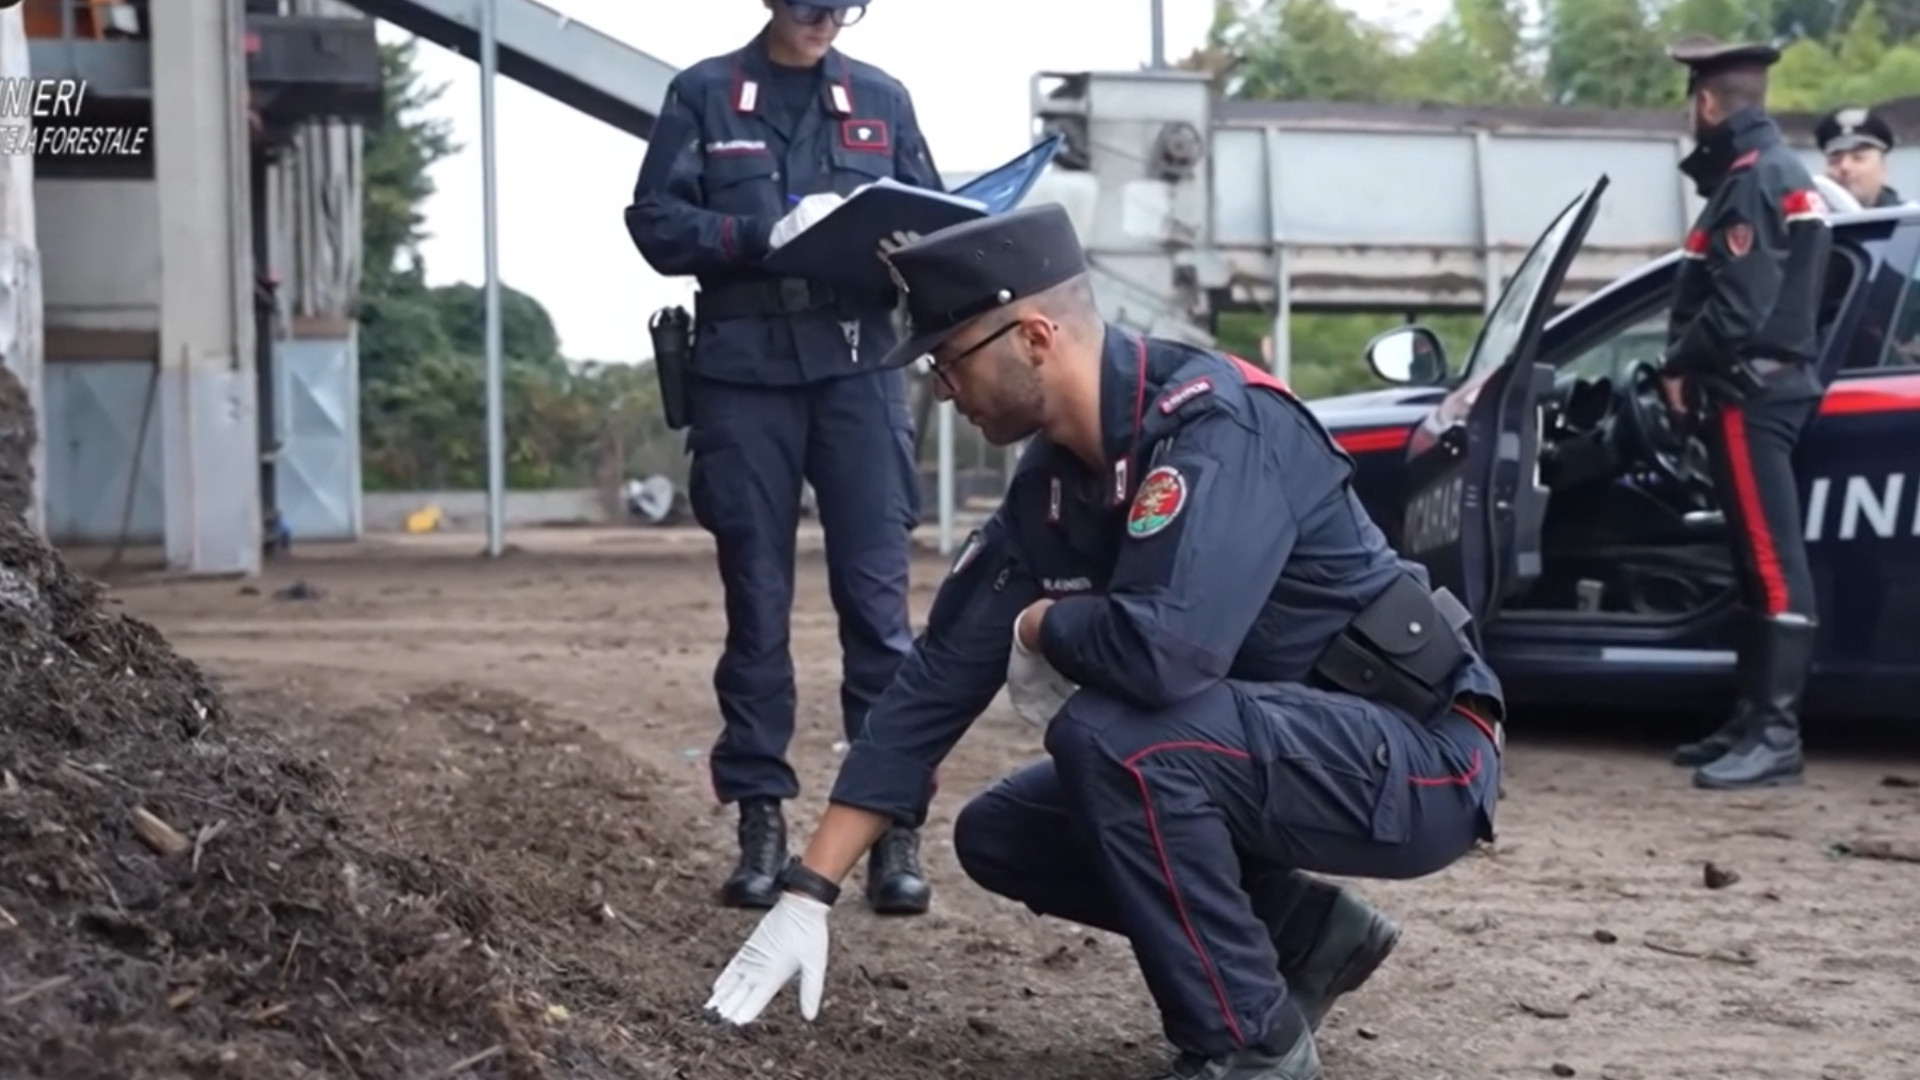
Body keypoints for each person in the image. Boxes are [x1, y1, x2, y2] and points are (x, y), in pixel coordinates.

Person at [698, 203, 1505, 1080]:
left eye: (947, 358)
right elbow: (934, 683)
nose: (939, 388)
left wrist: (1046, 622)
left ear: (1035, 336)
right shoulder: (1054, 487)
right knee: (1004, 832)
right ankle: (1304, 936)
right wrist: (808, 893)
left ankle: (1249, 1047)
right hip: (1289, 748)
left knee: (1119, 742)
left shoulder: (1217, 427)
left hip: (1421, 753)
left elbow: (1167, 654)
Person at [623, 0, 944, 915]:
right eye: (810, 5)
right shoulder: (707, 95)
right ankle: (760, 822)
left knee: (879, 611)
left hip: (857, 370)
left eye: (846, 8)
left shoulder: (882, 99)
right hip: (743, 374)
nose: (826, 22)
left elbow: (933, 228)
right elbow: (654, 221)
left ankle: (890, 833)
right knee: (756, 610)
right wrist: (754, 237)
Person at [1660, 39, 1832, 789]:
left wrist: (1676, 363)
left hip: (1748, 392)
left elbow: (1736, 309)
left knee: (1770, 563)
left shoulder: (1752, 179)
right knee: (1754, 565)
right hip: (1762, 385)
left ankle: (1775, 736)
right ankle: (1749, 720)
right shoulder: (1771, 173)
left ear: (1705, 103)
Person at [1816, 105, 1907, 208]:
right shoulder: (1813, 222)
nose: (1844, 166)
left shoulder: (1910, 221)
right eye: (1835, 161)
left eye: (1858, 158)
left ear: (1883, 168)